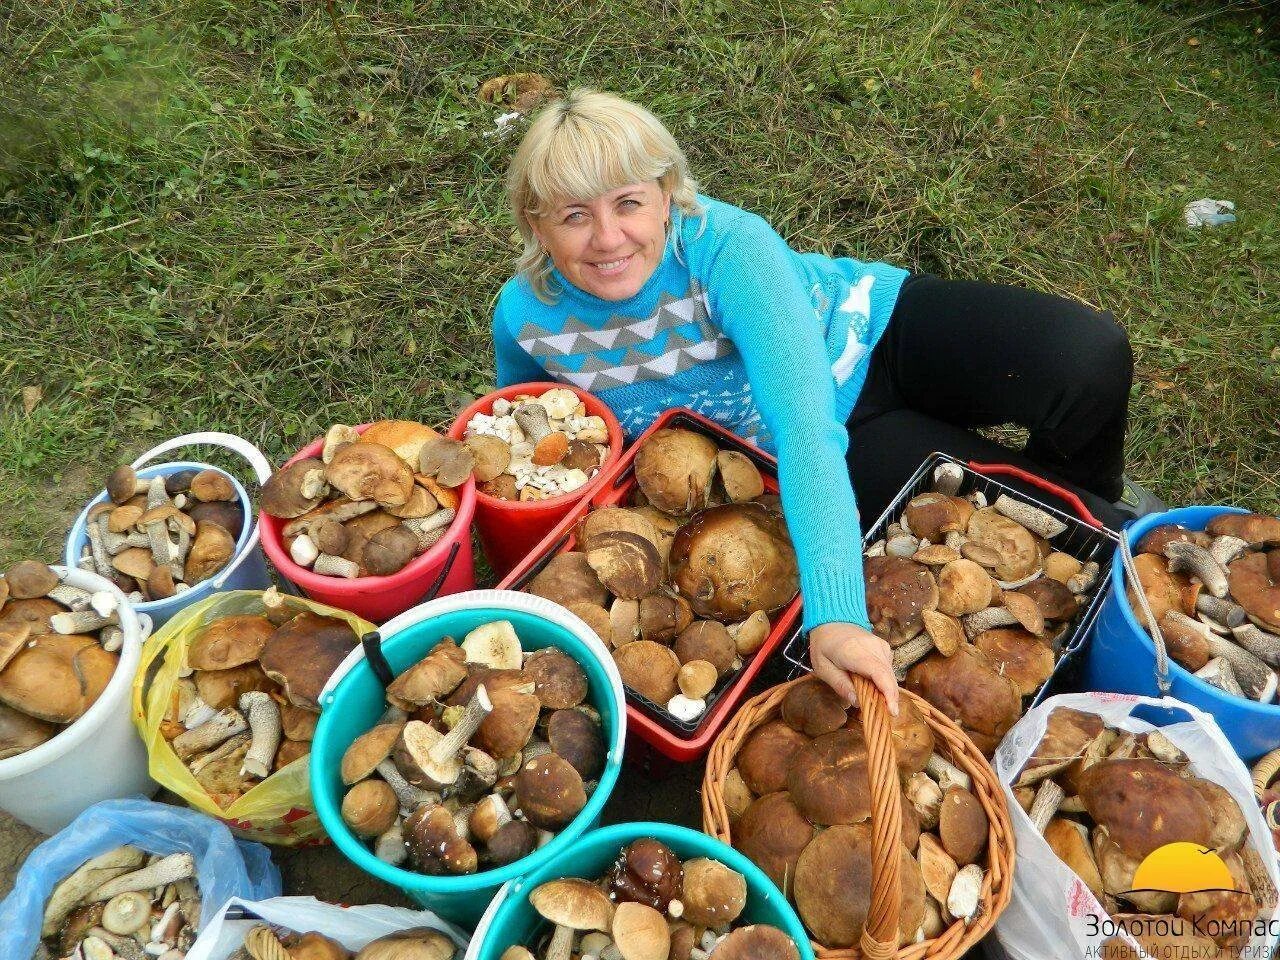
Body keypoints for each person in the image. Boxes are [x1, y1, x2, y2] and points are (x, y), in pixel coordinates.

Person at [491, 88, 1161, 715]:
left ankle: (1083, 483)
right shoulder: (526, 319)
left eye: (628, 203)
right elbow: (534, 438)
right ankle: (1090, 513)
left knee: (1087, 356)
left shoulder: (726, 247)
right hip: (818, 453)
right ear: (537, 225)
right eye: (575, 215)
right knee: (1093, 540)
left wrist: (834, 614)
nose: (608, 238)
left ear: (667, 196)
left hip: (870, 335)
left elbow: (804, 421)